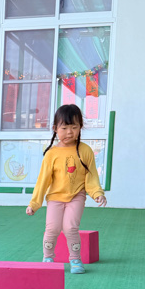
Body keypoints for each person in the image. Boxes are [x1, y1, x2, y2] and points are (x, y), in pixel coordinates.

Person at [26, 103, 107, 273]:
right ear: (55, 128)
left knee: (70, 228)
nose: (69, 132)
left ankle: (75, 260)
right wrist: (34, 203)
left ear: (80, 127)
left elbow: (91, 175)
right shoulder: (51, 154)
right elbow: (43, 181)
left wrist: (97, 193)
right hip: (55, 198)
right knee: (52, 228)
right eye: (64, 128)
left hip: (76, 196)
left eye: (74, 127)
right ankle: (48, 258)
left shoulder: (85, 151)